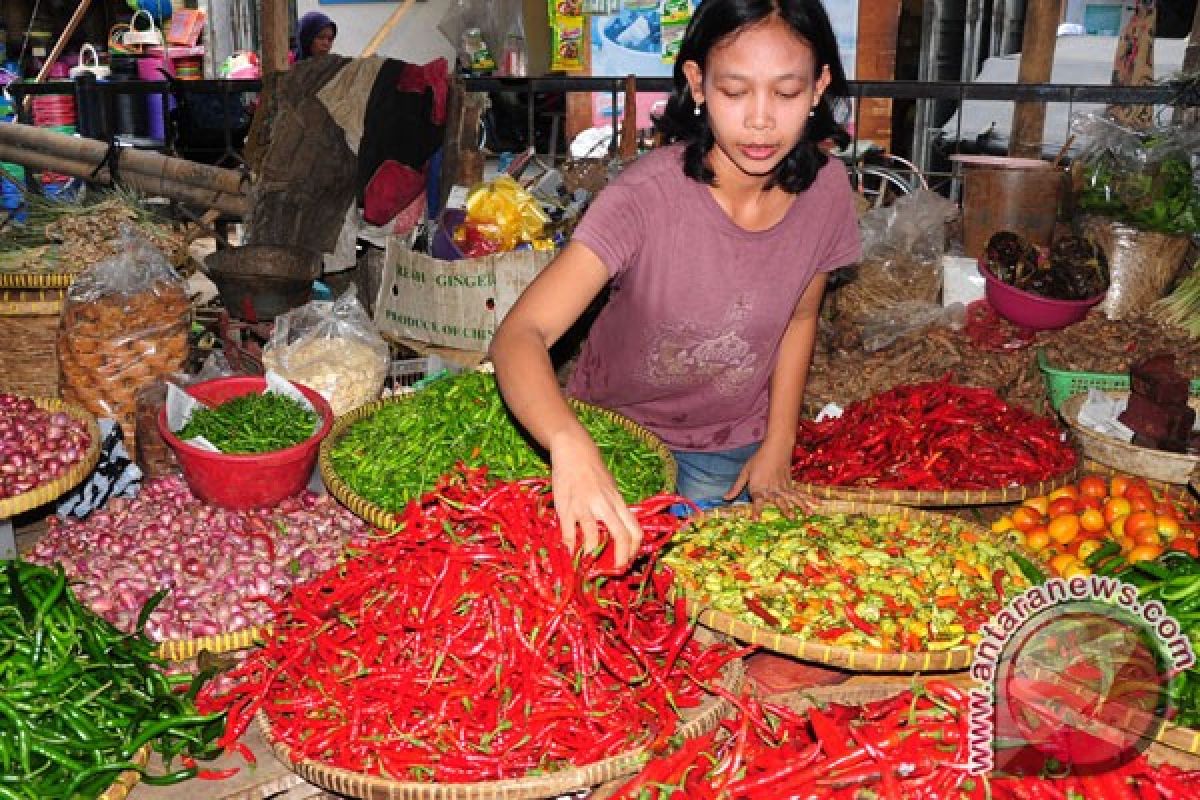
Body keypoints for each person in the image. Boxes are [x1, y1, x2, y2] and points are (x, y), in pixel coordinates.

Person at [489, 0, 861, 569]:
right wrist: (569, 444)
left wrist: (779, 442)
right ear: (698, 84)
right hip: (614, 439)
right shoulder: (645, 197)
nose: (761, 119)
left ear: (818, 89)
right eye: (736, 91)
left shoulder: (827, 193)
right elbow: (521, 333)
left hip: (727, 446)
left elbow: (801, 317)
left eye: (786, 93)